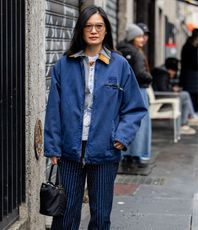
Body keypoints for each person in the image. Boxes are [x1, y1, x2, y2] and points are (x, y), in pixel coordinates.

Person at [44, 6, 147, 230]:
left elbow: (134, 107)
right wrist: (52, 146)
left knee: (101, 215)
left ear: (106, 30)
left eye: (98, 26)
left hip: (105, 149)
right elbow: (54, 109)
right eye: (88, 26)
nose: (93, 31)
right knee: (66, 213)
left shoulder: (120, 66)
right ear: (80, 30)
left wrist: (122, 135)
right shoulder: (64, 65)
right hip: (69, 150)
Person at [117, 24, 152, 169]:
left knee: (126, 121)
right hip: (139, 91)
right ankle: (136, 155)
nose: (142, 39)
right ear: (132, 37)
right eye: (138, 36)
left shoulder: (119, 50)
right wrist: (149, 77)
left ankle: (126, 155)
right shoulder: (136, 53)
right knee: (140, 124)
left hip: (123, 92)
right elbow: (140, 73)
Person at [151, 57, 198, 135]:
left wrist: (172, 89)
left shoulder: (158, 71)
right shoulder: (163, 74)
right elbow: (163, 90)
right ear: (172, 70)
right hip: (161, 100)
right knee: (185, 95)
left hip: (159, 98)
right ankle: (189, 119)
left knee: (185, 98)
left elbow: (161, 87)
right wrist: (173, 91)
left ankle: (186, 120)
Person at [180, 28, 198, 111]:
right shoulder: (190, 48)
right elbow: (194, 63)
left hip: (188, 79)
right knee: (191, 99)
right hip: (190, 78)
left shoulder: (186, 46)